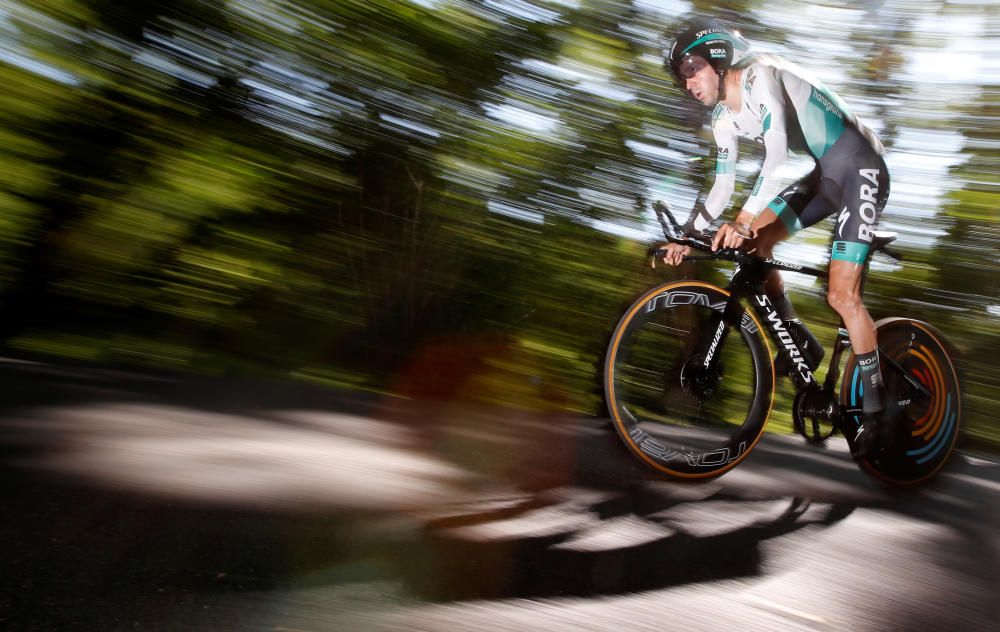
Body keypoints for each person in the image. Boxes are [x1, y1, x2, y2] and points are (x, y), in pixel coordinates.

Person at [659, 18, 890, 458]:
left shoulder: (759, 74)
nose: (686, 82)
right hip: (824, 176)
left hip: (861, 166)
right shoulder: (723, 117)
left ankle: (877, 412)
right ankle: (800, 337)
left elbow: (778, 153)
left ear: (718, 56)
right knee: (751, 248)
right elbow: (722, 187)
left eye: (691, 68)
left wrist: (744, 218)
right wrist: (688, 237)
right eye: (680, 76)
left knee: (842, 296)